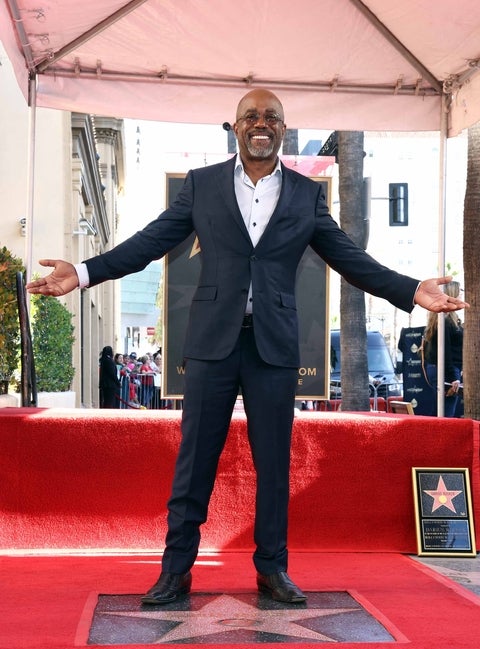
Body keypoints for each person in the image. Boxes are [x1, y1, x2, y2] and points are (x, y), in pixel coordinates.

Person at [26, 88, 468, 605]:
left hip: (274, 347)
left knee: (275, 463)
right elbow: (149, 243)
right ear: (235, 128)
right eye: (251, 116)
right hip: (213, 342)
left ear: (283, 128)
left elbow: (350, 257)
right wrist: (80, 273)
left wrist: (413, 289)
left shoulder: (306, 196)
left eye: (272, 117)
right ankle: (175, 571)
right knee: (195, 461)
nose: (262, 123)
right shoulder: (202, 186)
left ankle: (272, 569)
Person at [421, 280, 464, 417]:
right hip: (447, 371)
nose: (463, 294)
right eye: (460, 291)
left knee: (440, 411)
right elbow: (445, 351)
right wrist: (453, 377)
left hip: (443, 370)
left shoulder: (443, 319)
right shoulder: (445, 320)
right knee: (446, 413)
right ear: (453, 294)